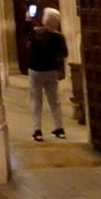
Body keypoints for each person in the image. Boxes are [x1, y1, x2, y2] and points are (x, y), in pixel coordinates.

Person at [27, 7, 68, 141]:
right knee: (54, 101)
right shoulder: (59, 37)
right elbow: (64, 53)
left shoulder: (37, 32)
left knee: (36, 101)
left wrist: (28, 20)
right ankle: (59, 128)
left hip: (36, 70)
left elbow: (26, 35)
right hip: (51, 70)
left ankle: (37, 130)